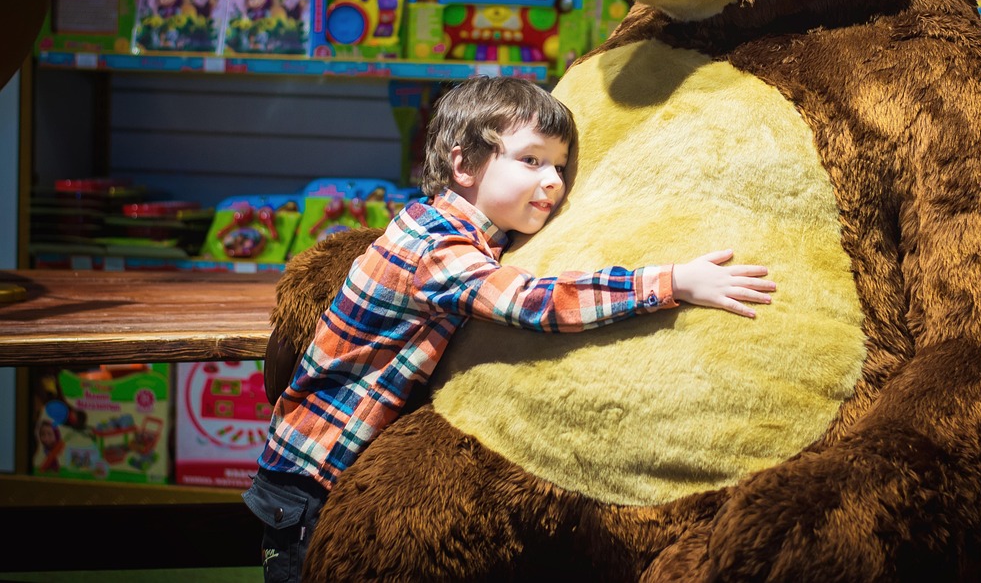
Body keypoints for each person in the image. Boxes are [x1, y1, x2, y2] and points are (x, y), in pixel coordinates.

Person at [243, 76, 775, 583]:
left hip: (326, 472)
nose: (553, 181)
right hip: (309, 482)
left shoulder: (455, 231)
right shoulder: (437, 249)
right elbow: (532, 302)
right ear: (464, 164)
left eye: (561, 167)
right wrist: (672, 281)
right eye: (531, 160)